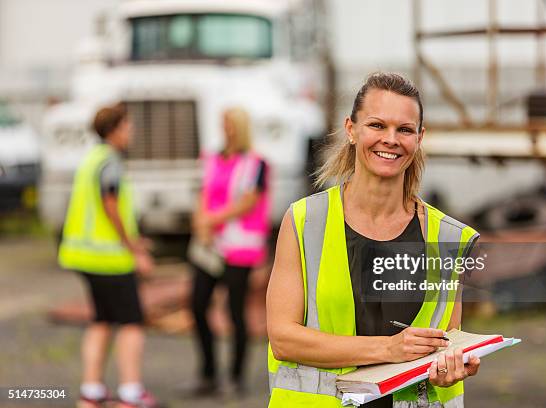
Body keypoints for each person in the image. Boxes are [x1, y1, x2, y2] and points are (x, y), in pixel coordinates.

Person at [266, 73, 481, 407]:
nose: (391, 139)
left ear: (419, 138)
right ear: (352, 129)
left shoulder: (449, 238)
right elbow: (282, 338)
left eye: (405, 129)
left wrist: (449, 368)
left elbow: (446, 343)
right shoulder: (304, 221)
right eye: (377, 125)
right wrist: (388, 348)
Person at [58, 103, 158, 408]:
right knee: (131, 323)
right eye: (128, 126)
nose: (132, 132)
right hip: (109, 260)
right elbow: (110, 203)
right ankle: (130, 392)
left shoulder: (91, 159)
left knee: (101, 320)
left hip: (84, 257)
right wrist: (134, 247)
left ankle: (92, 391)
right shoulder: (111, 162)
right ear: (114, 129)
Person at [188, 107, 270, 396]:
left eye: (229, 124)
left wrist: (213, 219)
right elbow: (203, 193)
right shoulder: (210, 158)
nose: (225, 129)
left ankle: (236, 377)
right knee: (197, 305)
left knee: (235, 311)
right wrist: (201, 224)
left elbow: (248, 201)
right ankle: (208, 373)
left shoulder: (255, 163)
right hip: (210, 246)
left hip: (240, 248)